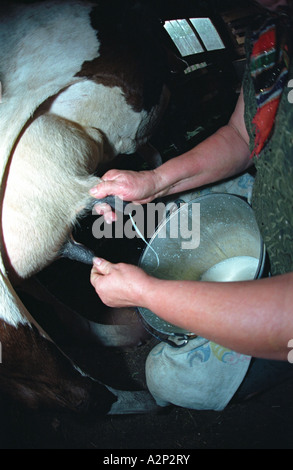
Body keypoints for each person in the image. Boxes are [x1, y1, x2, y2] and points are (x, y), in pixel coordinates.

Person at [89, 0, 293, 410]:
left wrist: (147, 293)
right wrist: (154, 183)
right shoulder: (273, 36)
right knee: (160, 211)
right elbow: (240, 135)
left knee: (166, 378)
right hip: (269, 205)